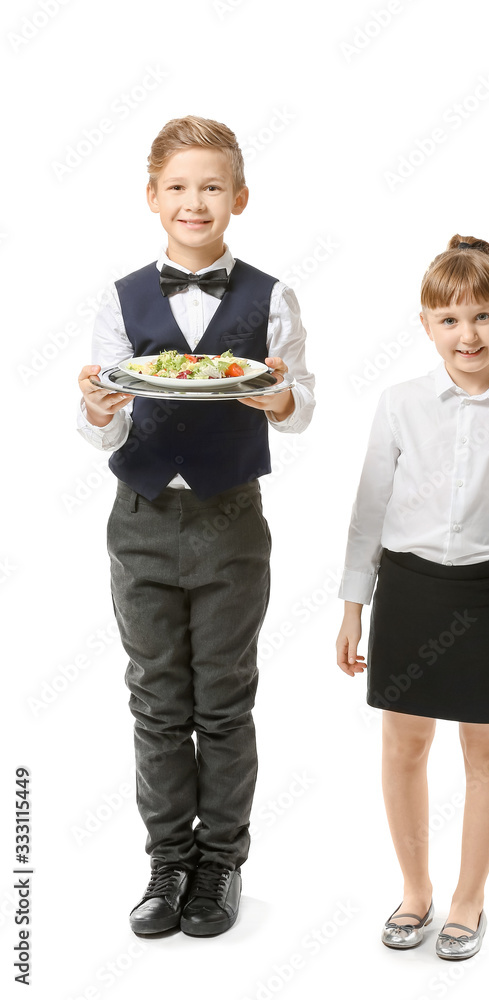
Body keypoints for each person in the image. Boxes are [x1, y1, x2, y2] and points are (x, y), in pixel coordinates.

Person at [76, 115, 315, 938]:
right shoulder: (121, 299)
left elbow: (299, 405)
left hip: (231, 521)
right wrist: (98, 405)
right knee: (155, 702)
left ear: (239, 197)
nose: (195, 200)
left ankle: (220, 868)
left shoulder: (271, 295)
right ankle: (166, 863)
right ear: (152, 197)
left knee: (222, 701)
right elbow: (103, 422)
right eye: (178, 186)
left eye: (212, 185)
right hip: (139, 520)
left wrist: (278, 395)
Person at [335, 235, 489, 960]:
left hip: (483, 595)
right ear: (425, 326)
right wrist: (353, 606)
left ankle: (468, 900)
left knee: (487, 751)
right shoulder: (399, 404)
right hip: (407, 589)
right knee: (403, 743)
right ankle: (415, 890)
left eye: (481, 316)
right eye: (449, 320)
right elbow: (368, 511)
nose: (466, 334)